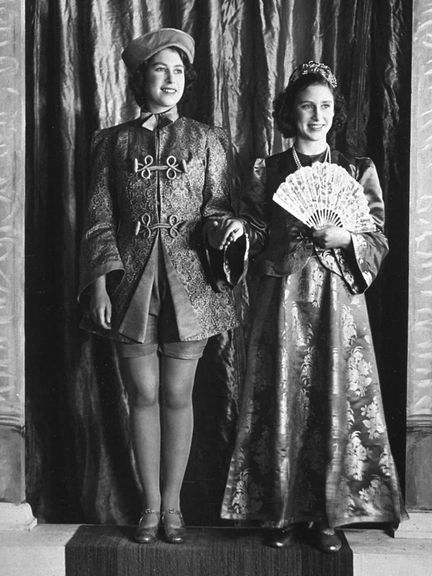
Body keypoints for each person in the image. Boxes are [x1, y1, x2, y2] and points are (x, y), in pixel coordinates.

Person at [220, 61, 406, 553]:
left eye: (325, 106)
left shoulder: (357, 169)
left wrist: (347, 237)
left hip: (338, 304)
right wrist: (239, 230)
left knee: (332, 396)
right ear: (290, 112)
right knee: (281, 398)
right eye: (307, 106)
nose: (317, 115)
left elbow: (377, 238)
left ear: (335, 112)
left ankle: (328, 516)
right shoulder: (267, 170)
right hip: (281, 301)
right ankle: (279, 512)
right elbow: (256, 229)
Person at [78, 28, 245, 544]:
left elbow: (219, 207)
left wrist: (225, 229)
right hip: (130, 284)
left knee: (176, 392)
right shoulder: (111, 142)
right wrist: (99, 284)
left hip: (190, 284)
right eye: (159, 69)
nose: (170, 79)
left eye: (178, 71)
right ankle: (149, 507)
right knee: (143, 393)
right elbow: (98, 219)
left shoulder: (210, 139)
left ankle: (173, 507)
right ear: (140, 77)